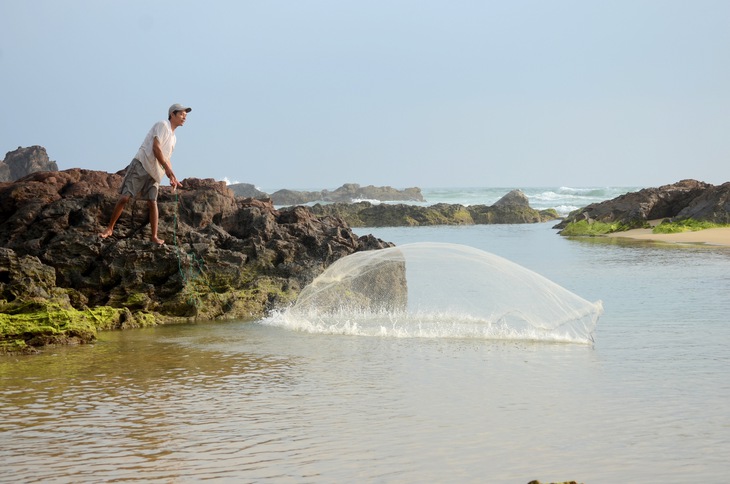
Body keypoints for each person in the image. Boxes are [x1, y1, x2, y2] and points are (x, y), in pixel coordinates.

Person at [99, 103, 190, 245]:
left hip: (155, 172)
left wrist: (172, 176)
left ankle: (154, 236)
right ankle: (109, 228)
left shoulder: (174, 138)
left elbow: (167, 158)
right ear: (172, 114)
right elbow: (156, 148)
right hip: (142, 164)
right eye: (182, 114)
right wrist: (167, 168)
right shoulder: (163, 125)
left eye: (186, 114)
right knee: (124, 197)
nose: (185, 116)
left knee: (152, 202)